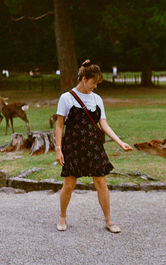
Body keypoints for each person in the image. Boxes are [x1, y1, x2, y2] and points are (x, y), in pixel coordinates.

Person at [55, 59, 133, 233]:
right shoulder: (66, 98)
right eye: (93, 82)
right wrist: (58, 149)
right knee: (69, 183)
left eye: (97, 83)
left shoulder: (97, 99)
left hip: (94, 146)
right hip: (73, 146)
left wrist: (120, 142)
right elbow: (59, 126)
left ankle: (109, 220)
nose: (95, 86)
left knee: (101, 182)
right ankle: (62, 216)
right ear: (83, 79)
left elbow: (104, 124)